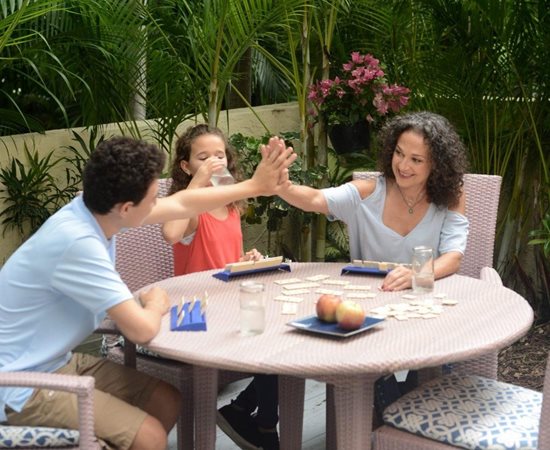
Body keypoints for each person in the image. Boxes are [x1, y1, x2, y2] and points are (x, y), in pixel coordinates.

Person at [0, 135, 295, 450]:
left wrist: (255, 185)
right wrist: (154, 304)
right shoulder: (79, 244)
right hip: (19, 384)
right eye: (154, 200)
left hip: (57, 362)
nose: (159, 205)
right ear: (128, 208)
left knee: (166, 400)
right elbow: (141, 330)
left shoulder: (96, 211)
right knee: (151, 436)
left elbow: (181, 203)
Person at [217, 111, 470, 440]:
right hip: (365, 308)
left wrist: (414, 274)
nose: (403, 165)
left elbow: (452, 257)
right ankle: (374, 431)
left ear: (437, 164)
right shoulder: (368, 192)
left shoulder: (450, 197)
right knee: (300, 332)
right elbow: (315, 200)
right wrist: (281, 185)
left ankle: (410, 429)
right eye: (399, 153)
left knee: (440, 366)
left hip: (422, 307)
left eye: (416, 159)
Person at [162, 123, 262, 275]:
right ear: (186, 167)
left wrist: (246, 261)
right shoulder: (191, 210)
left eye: (220, 156)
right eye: (203, 158)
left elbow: (231, 261)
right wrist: (197, 182)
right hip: (199, 295)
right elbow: (170, 235)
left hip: (228, 292)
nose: (213, 163)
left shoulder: (232, 206)